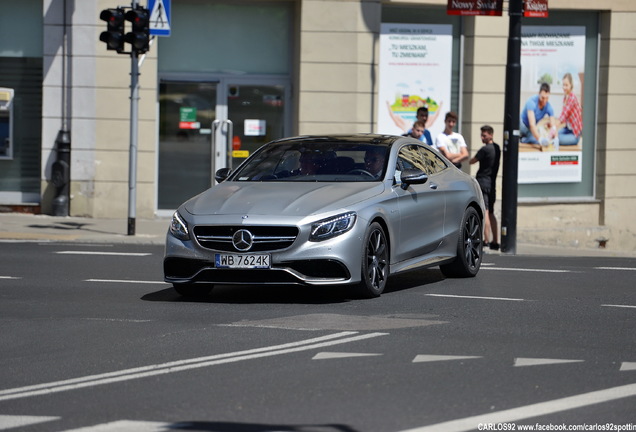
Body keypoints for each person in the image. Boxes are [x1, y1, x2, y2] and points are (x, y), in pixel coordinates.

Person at [470, 125, 501, 250]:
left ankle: (485, 240)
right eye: (481, 135)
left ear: (491, 135)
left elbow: (472, 161)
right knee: (492, 212)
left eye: (484, 135)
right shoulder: (497, 148)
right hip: (492, 183)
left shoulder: (485, 150)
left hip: (482, 182)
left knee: (485, 212)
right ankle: (495, 241)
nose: (482, 137)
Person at [555, 72, 583, 146]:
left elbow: (564, 113)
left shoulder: (572, 97)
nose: (564, 87)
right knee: (554, 135)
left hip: (574, 134)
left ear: (571, 85)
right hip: (568, 129)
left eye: (566, 85)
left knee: (557, 139)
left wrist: (555, 126)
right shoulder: (565, 98)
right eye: (563, 85)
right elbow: (564, 118)